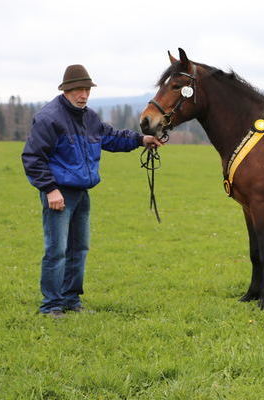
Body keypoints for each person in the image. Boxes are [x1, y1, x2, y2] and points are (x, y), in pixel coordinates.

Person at [22, 64, 162, 318]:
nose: (83, 95)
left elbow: (111, 137)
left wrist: (142, 140)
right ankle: (50, 306)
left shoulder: (89, 118)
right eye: (77, 90)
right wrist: (50, 189)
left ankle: (70, 301)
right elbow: (32, 157)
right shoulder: (49, 118)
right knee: (56, 251)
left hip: (82, 193)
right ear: (66, 90)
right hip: (59, 194)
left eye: (86, 89)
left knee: (79, 249)